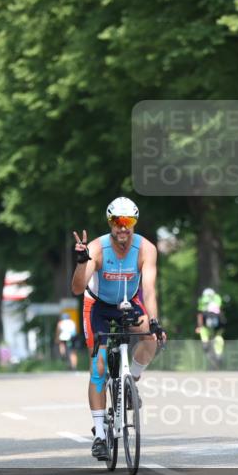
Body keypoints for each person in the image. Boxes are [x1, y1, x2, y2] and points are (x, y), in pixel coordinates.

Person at [71, 197, 167, 461]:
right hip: (98, 306)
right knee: (99, 366)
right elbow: (77, 289)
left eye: (128, 222)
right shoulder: (97, 249)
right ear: (110, 222)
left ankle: (131, 381)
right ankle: (101, 434)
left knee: (151, 337)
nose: (122, 228)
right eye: (117, 222)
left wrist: (155, 320)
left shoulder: (146, 249)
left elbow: (148, 289)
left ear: (134, 223)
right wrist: (82, 262)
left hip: (129, 302)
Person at [196, 287, 225, 366]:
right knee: (218, 336)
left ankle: (205, 342)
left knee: (203, 330)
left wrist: (199, 326)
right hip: (218, 320)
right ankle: (219, 353)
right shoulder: (217, 298)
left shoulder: (202, 299)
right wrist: (222, 326)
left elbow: (200, 314)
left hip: (205, 318)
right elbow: (220, 311)